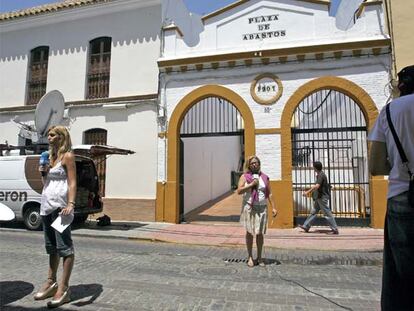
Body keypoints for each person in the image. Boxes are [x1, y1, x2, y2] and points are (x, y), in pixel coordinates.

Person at [368, 65, 414, 311]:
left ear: (400, 85)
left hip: (403, 194)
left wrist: (400, 165)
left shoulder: (390, 111)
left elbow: (375, 165)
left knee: (401, 274)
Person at [34, 126, 77, 308]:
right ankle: (51, 282)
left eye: (52, 135)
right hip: (46, 207)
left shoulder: (68, 156)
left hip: (61, 209)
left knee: (64, 247)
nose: (49, 137)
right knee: (51, 247)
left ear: (61, 136)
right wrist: (43, 172)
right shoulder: (49, 157)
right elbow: (46, 183)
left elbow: (73, 182)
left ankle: (64, 289)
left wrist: (71, 204)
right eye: (48, 135)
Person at [237, 155, 277, 267]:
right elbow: (239, 191)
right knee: (249, 232)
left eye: (256, 163)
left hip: (261, 207)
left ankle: (259, 257)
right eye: (252, 163)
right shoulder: (244, 177)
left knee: (259, 233)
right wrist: (251, 185)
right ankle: (250, 256)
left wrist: (273, 207)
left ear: (259, 164)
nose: (254, 164)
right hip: (249, 207)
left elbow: (269, 193)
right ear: (249, 165)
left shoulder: (264, 177)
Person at [299, 161, 339, 234]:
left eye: (313, 167)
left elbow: (317, 186)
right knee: (313, 212)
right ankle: (306, 226)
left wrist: (308, 192)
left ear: (315, 168)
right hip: (319, 197)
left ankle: (335, 228)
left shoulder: (321, 175)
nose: (313, 168)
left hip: (322, 197)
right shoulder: (320, 175)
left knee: (327, 213)